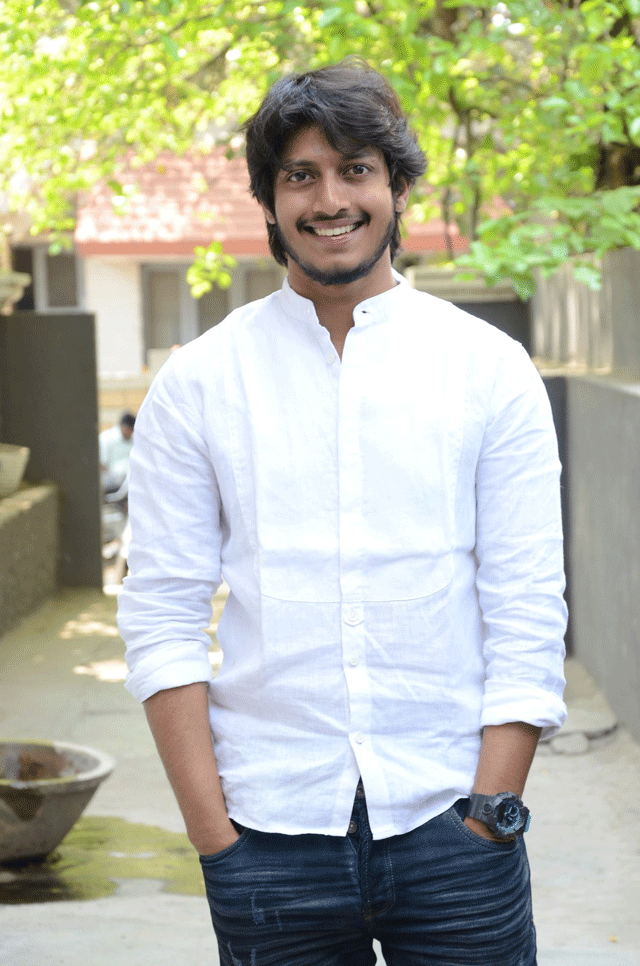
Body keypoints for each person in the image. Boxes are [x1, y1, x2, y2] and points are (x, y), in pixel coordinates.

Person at [118, 60, 567, 966]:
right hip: (268, 836)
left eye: (355, 169)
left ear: (396, 187)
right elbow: (161, 613)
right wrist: (215, 840)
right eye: (301, 175)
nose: (330, 200)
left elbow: (527, 602)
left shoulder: (488, 369)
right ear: (269, 199)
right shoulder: (200, 382)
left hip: (454, 824)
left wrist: (492, 812)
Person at [99, 411, 135, 493]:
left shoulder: (134, 439)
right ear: (122, 426)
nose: (130, 433)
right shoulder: (106, 438)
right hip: (111, 481)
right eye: (129, 429)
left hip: (129, 480)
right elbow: (101, 464)